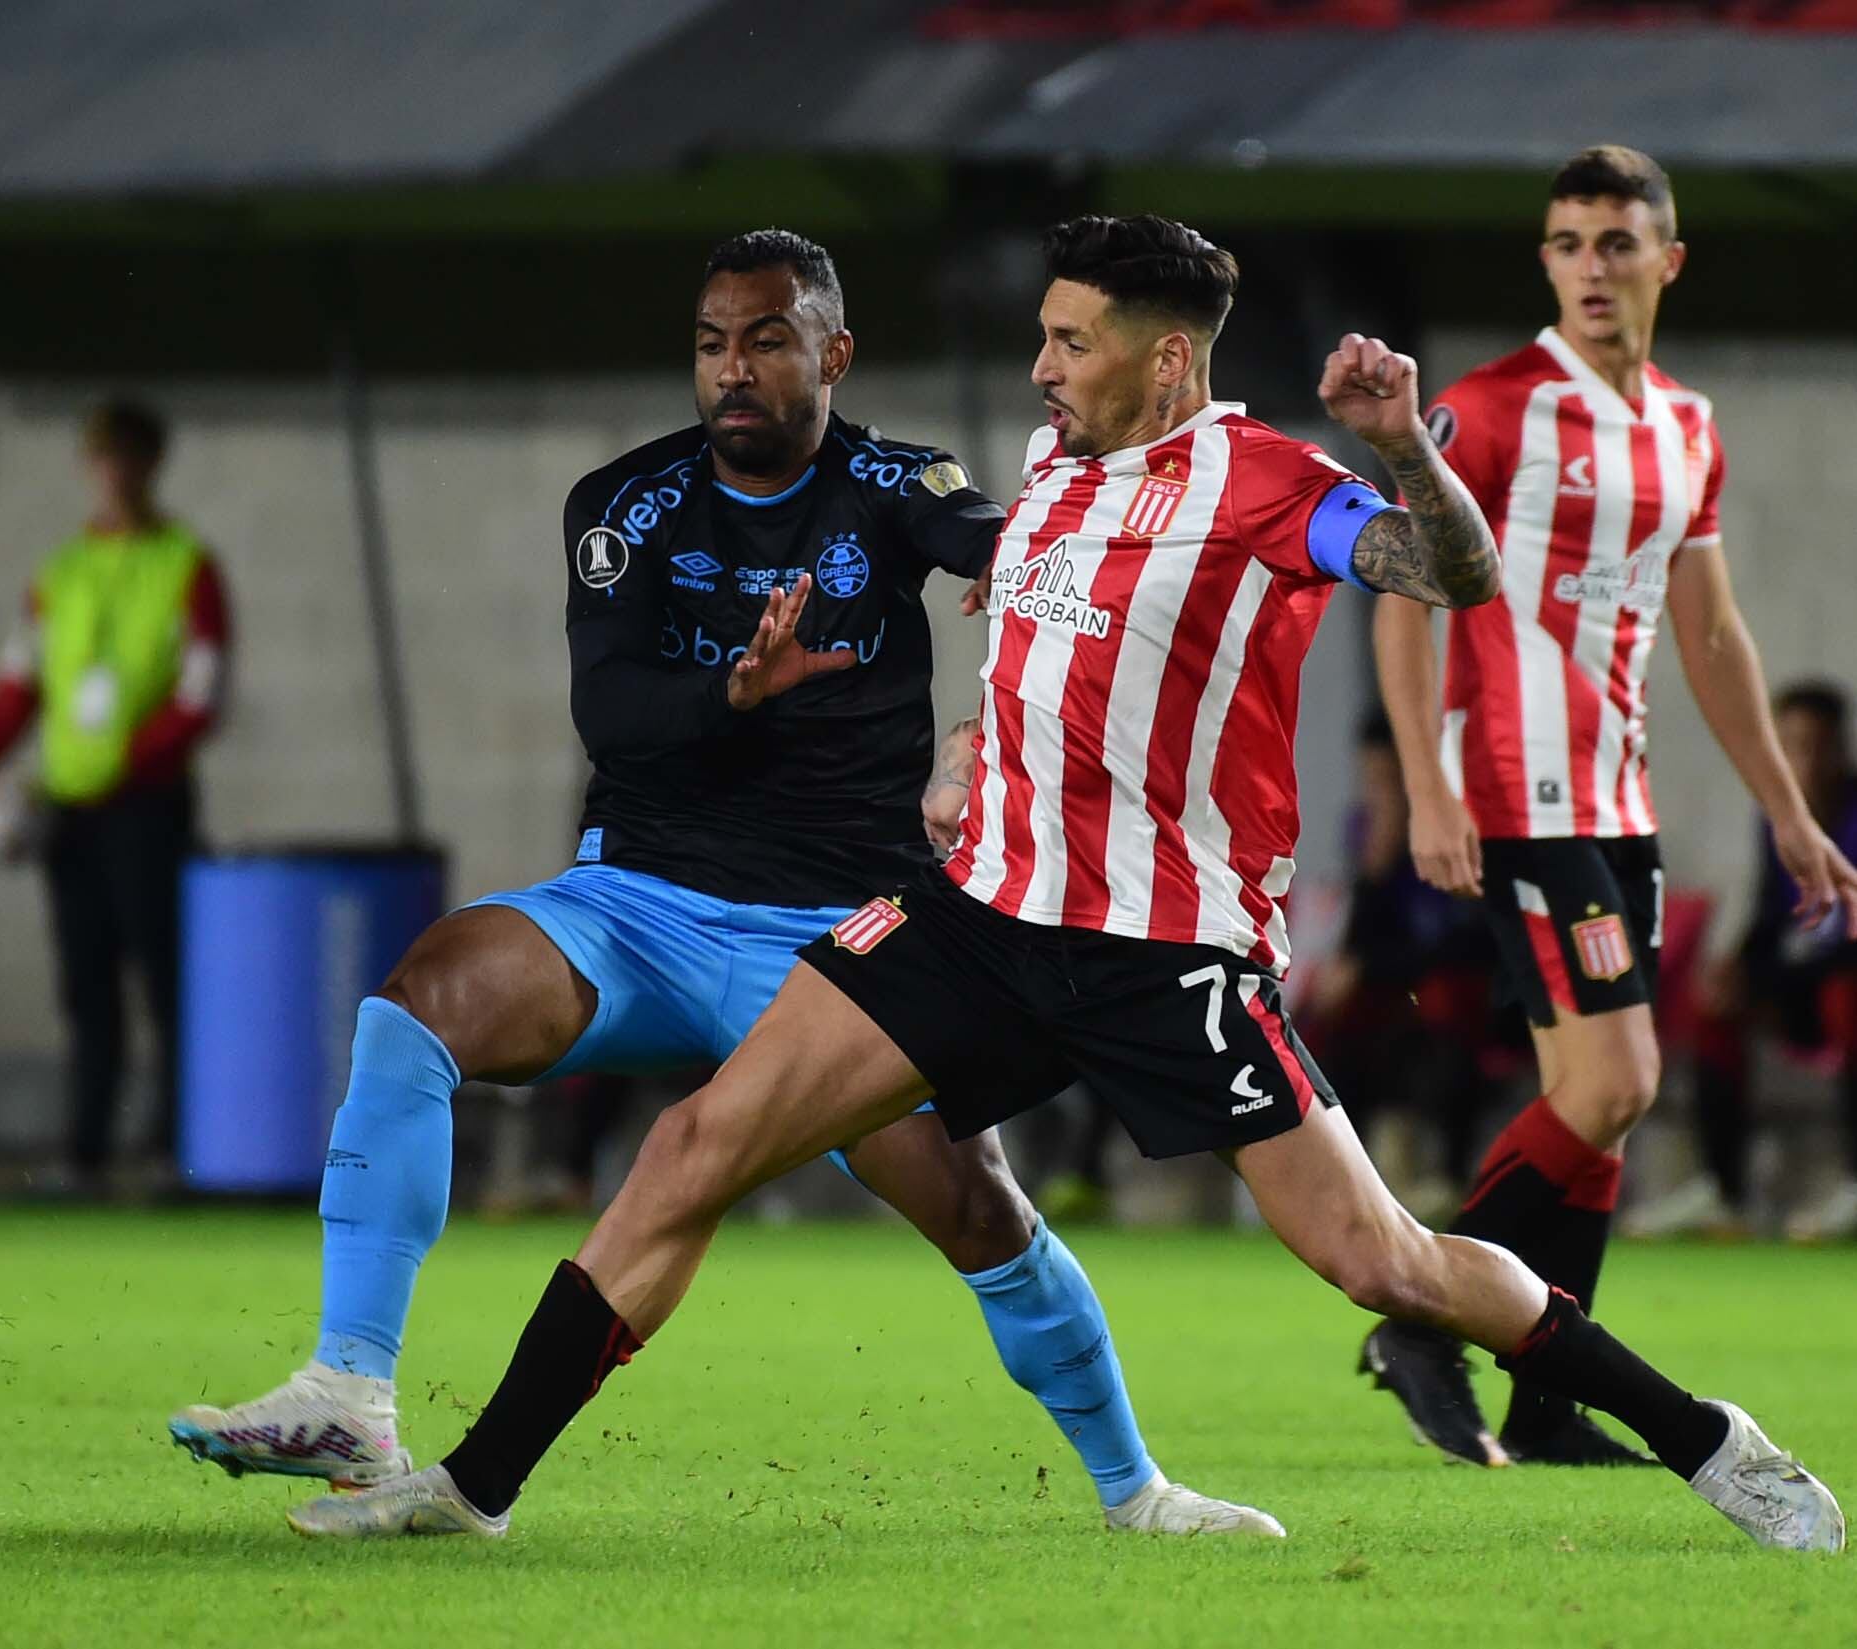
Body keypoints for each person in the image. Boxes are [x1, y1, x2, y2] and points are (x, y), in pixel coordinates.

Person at [286, 214, 1842, 1554]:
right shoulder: (1050, 463)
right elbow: (1062, 643)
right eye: (1043, 336)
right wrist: (982, 742)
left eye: (1071, 342)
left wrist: (1406, 447)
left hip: (1164, 952)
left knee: (1388, 1261)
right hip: (977, 915)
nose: (1041, 368)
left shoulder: (1268, 484)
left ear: (1166, 361)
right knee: (695, 1144)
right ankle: (471, 1488)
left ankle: (1709, 1437)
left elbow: (1453, 575)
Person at [174, 229, 1279, 1538]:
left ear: (834, 353)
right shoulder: (623, 505)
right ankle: (350, 1387)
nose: (733, 369)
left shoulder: (891, 481)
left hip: (844, 930)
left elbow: (974, 523)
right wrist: (733, 690)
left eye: (766, 339)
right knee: (418, 1003)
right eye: (712, 343)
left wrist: (1020, 556)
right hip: (638, 906)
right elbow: (614, 714)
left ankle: (1131, 1490)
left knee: (973, 1203)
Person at [1362, 146, 1857, 1468]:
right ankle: (1420, 1309)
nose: (1592, 265)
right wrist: (1427, 787)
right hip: (1516, 792)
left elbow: (1712, 634)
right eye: (1570, 241)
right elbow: (1403, 598)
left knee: (1606, 1101)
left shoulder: (1687, 426)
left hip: (1615, 793)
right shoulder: (1490, 407)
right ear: (1546, 260)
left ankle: (1542, 1400)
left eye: (1617, 242)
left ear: (1667, 259)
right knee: (1616, 1074)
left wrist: (1790, 816)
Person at [0, 400, 232, 1188]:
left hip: (147, 805)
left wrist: (133, 762)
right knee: (84, 979)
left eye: (128, 458)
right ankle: (87, 1149)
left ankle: (182, 1147)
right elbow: (18, 683)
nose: (114, 474)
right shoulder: (61, 575)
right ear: (89, 467)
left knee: (167, 977)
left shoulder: (184, 566)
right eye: (102, 458)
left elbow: (202, 694)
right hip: (69, 809)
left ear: (150, 465)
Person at [1635, 681, 1857, 1241]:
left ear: (1839, 752)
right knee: (1713, 1006)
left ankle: (1852, 1185)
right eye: (1791, 747)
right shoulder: (1776, 821)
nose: (1803, 763)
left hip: (1836, 981)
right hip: (1794, 981)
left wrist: (1773, 975)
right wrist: (1735, 966)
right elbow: (1767, 917)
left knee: (1846, 999)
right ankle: (1724, 1193)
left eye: (1816, 747)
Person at [1301, 709, 1501, 1215]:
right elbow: (1365, 936)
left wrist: (1370, 967)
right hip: (1394, 980)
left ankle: (1445, 1174)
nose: (1378, 793)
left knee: (1436, 1008)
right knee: (1326, 1017)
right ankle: (1344, 1175)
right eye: (1369, 780)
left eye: (1387, 780)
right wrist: (1376, 866)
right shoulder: (1368, 832)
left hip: (1460, 980)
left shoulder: (1455, 825)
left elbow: (1469, 935)